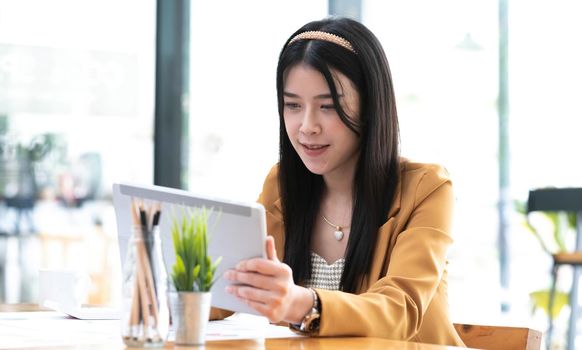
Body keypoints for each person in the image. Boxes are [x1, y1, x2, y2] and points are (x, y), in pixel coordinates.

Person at [218, 16, 465, 347]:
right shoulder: (281, 185)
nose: (307, 126)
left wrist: (302, 304)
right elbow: (231, 288)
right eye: (292, 105)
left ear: (369, 106)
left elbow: (400, 310)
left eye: (328, 106)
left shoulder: (426, 188)